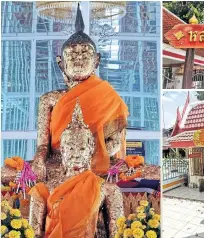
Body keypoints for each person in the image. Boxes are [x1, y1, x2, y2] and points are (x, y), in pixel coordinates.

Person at [29, 3, 129, 181]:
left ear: (96, 60)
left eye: (85, 53)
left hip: (95, 162)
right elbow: (43, 146)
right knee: (9, 172)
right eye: (72, 54)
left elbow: (114, 143)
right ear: (61, 63)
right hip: (59, 162)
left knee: (129, 169)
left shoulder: (109, 96)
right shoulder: (49, 100)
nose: (79, 58)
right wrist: (38, 159)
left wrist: (91, 155)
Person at [29, 101, 123, 238]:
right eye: (71, 148)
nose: (76, 154)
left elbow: (118, 234)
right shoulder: (45, 190)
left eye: (82, 148)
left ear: (91, 150)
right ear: (62, 150)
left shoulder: (108, 190)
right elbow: (33, 234)